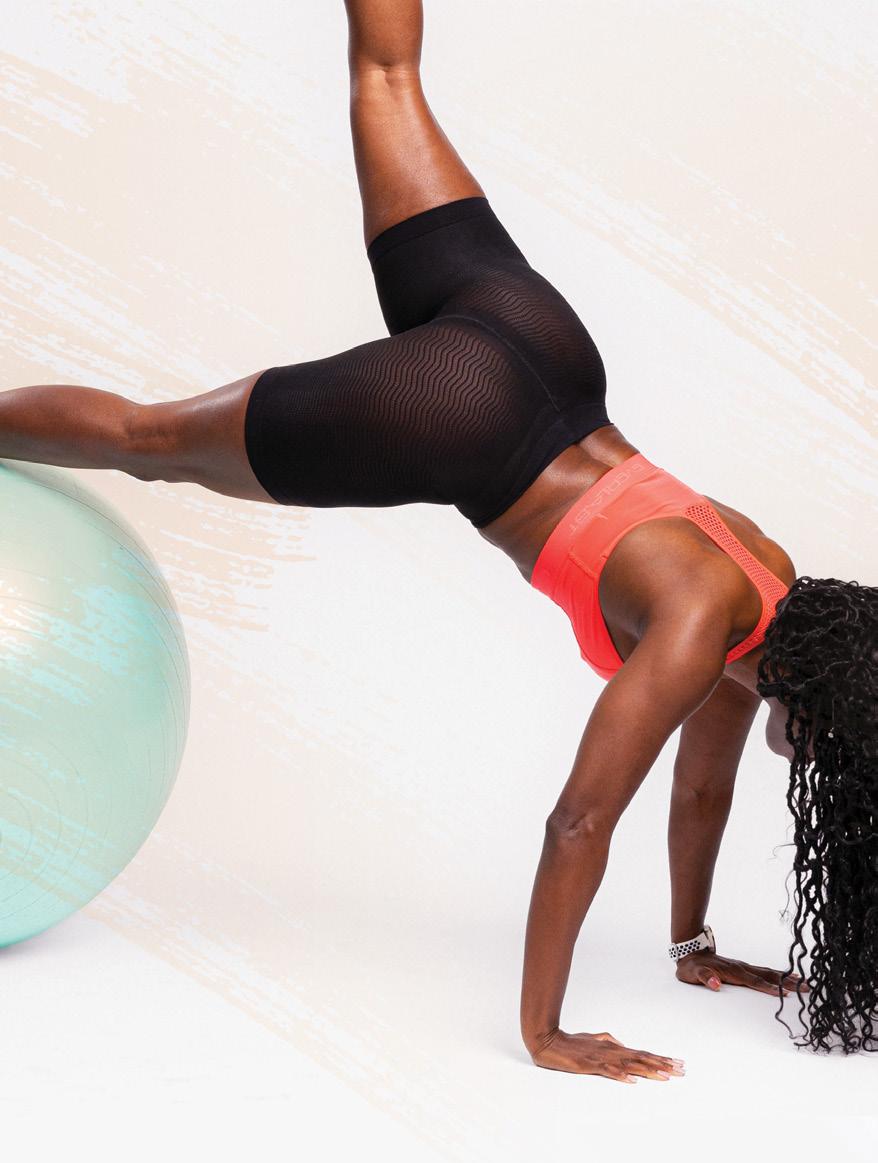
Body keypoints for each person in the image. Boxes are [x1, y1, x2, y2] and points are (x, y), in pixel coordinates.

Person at [1, 0, 875, 1079]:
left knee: (387, 78)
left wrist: (691, 947)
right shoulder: (701, 634)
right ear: (820, 710)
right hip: (465, 418)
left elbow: (702, 792)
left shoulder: (764, 588)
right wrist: (545, 1032)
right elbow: (577, 824)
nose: (819, 763)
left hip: (545, 348)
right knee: (151, 439)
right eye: (838, 749)